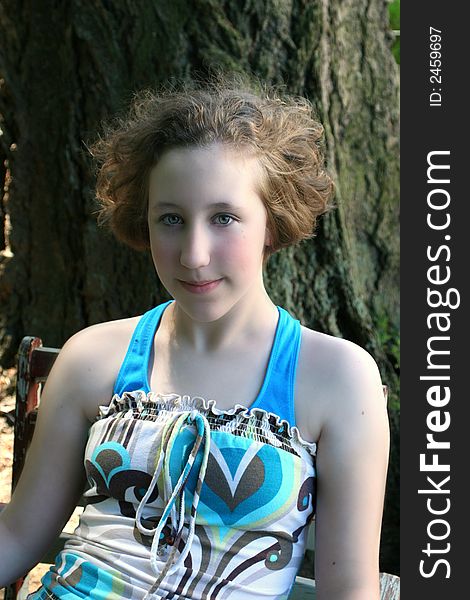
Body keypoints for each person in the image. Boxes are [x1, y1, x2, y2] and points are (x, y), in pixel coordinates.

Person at [0, 75, 390, 599]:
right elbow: (20, 534)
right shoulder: (94, 357)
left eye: (224, 217)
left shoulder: (336, 378)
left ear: (271, 224)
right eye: (171, 220)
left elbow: (348, 592)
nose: (194, 254)